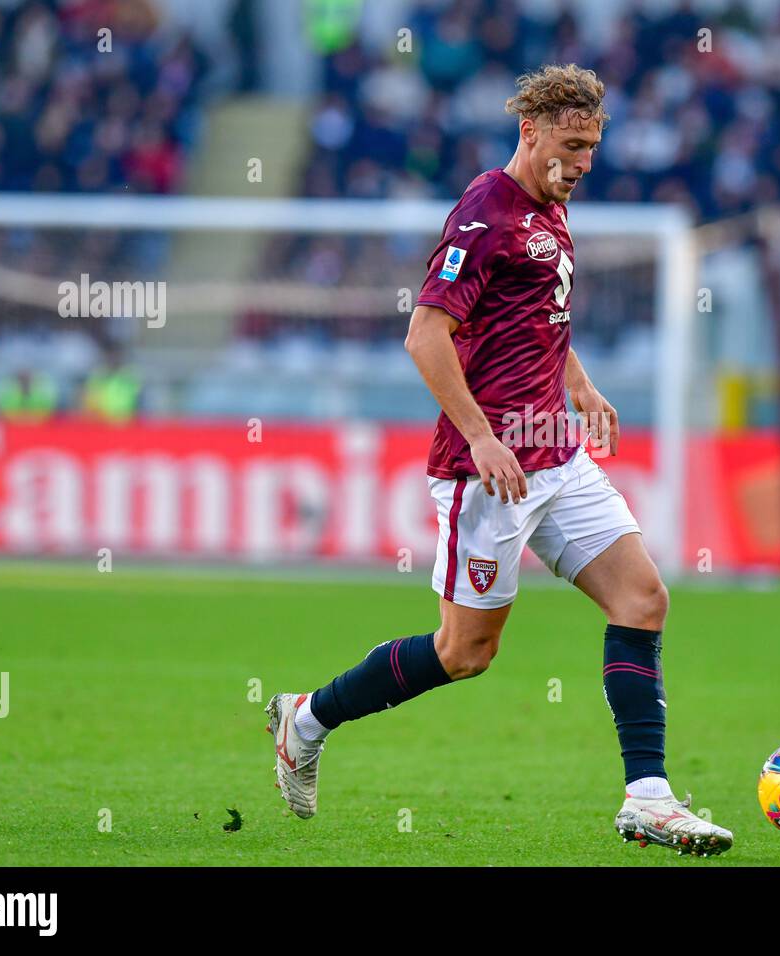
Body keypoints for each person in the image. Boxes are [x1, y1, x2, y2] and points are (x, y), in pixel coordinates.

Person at [266, 64, 733, 857]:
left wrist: (580, 384)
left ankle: (647, 797)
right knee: (465, 653)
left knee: (643, 600)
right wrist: (483, 436)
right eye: (572, 144)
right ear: (531, 130)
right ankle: (306, 718)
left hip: (559, 457)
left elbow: (539, 318)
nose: (583, 162)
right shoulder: (486, 212)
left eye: (593, 147)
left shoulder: (552, 212)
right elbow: (425, 335)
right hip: (489, 472)